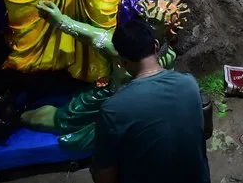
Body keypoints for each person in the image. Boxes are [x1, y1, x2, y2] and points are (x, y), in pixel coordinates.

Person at [90, 17, 210, 183]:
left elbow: (104, 178)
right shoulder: (189, 83)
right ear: (156, 46)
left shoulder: (113, 109)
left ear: (123, 62)